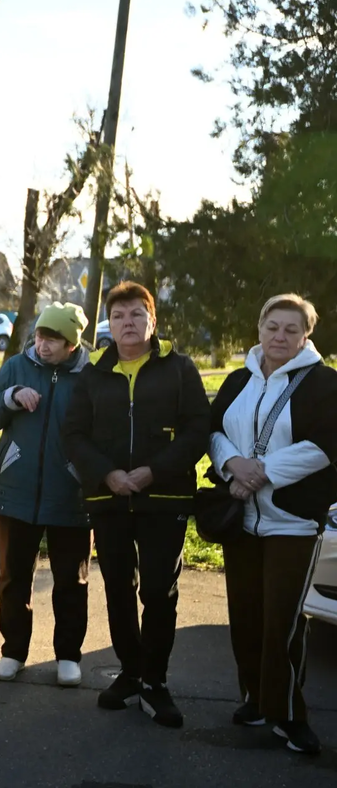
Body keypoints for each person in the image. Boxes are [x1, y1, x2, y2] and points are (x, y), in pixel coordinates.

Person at [63, 281, 209, 729]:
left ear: (152, 321)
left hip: (163, 499)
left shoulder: (179, 369)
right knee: (118, 591)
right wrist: (107, 474)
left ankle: (156, 682)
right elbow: (73, 435)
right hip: (109, 500)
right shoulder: (93, 374)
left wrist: (152, 472)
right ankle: (130, 671)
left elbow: (197, 429)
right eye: (120, 316)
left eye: (137, 314)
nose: (128, 323)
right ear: (109, 324)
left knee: (158, 592)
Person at [209, 294, 337, 756]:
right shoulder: (240, 378)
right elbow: (215, 430)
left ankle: (289, 715)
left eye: (291, 329)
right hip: (240, 520)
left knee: (281, 621)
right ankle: (256, 700)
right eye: (272, 327)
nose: (280, 337)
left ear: (306, 336)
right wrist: (234, 465)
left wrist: (260, 471)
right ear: (259, 328)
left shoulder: (324, 384)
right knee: (245, 616)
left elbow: (325, 445)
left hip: (292, 522)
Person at [0, 303, 92, 687]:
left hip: (71, 493)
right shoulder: (16, 366)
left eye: (53, 340)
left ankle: (68, 657)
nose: (42, 345)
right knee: (14, 577)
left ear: (71, 345)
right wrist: (10, 396)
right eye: (40, 336)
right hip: (16, 491)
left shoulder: (90, 376)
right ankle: (13, 651)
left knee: (71, 580)